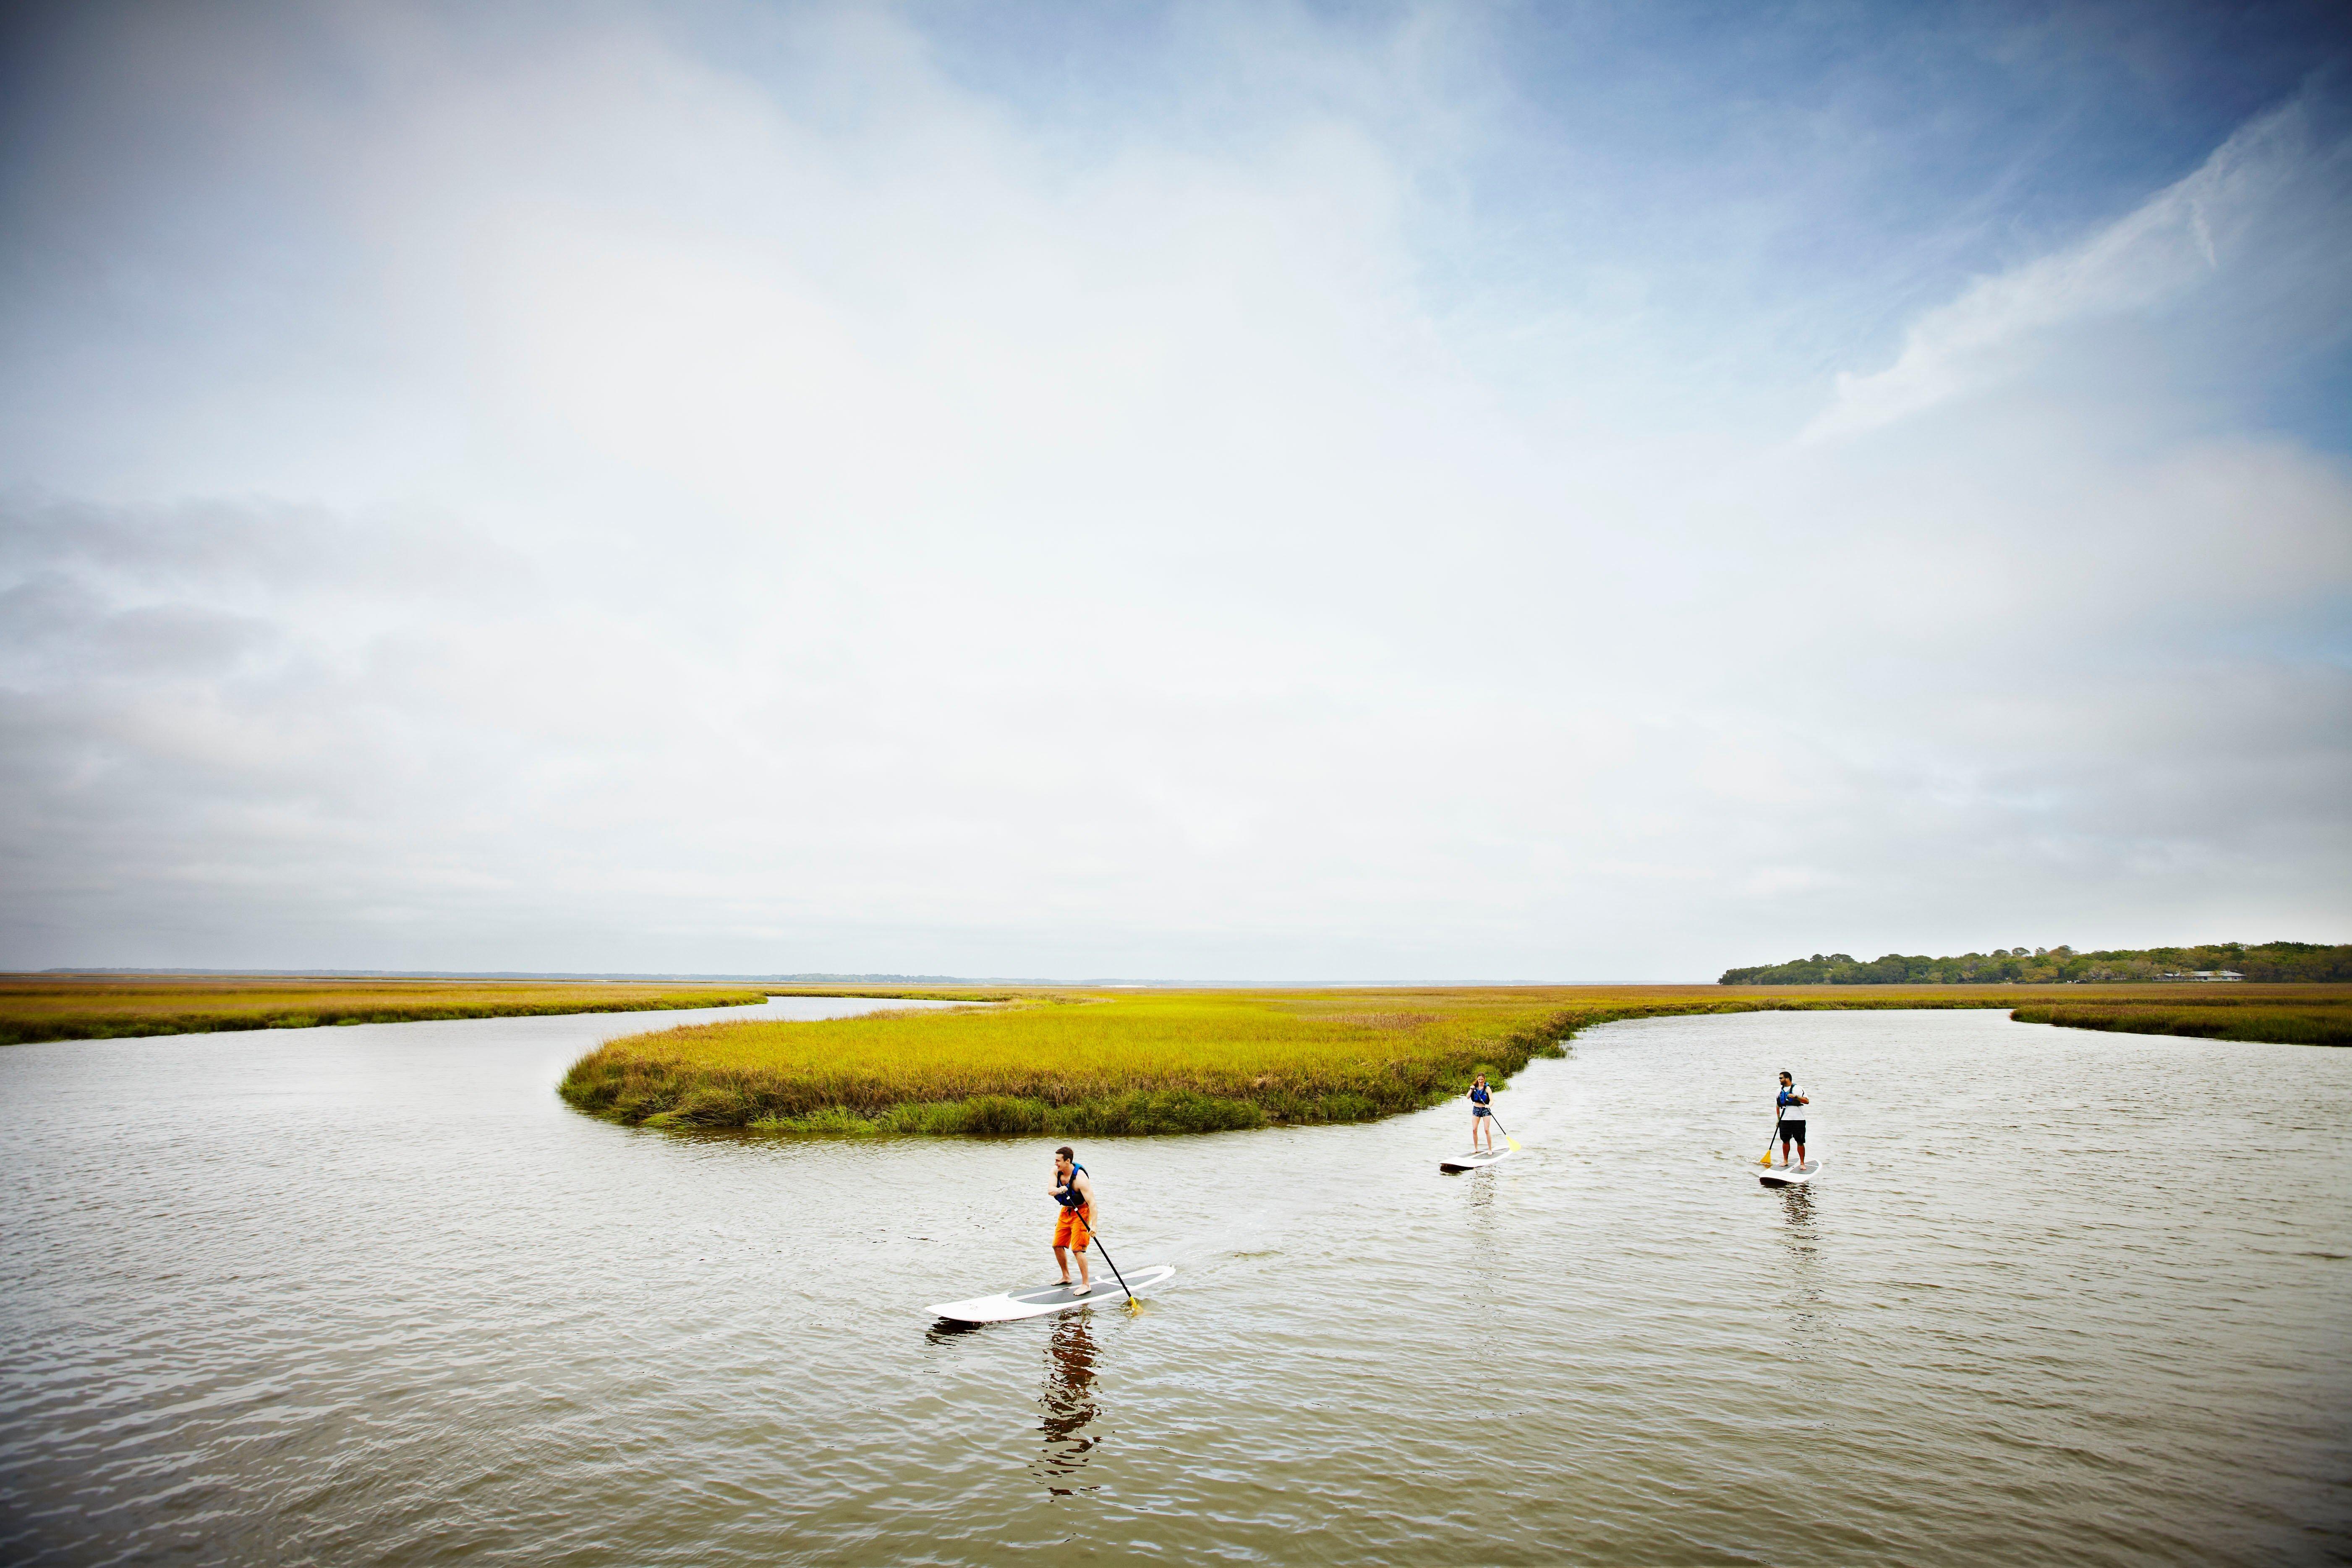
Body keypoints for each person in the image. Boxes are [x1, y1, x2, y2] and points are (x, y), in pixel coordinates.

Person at [1050, 1145, 1097, 1294]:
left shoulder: (1080, 1179)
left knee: (1078, 1249)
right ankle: (1066, 1277)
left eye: (1058, 1161)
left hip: (1082, 1211)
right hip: (1066, 1210)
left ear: (1068, 1161)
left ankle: (1086, 1284)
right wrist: (1060, 1190)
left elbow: (1093, 1204)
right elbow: (1051, 1190)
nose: (1056, 1163)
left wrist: (1094, 1226)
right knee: (1057, 1245)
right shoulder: (1055, 1172)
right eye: (1055, 1160)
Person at [1775, 1071, 1811, 1168]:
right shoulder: (1779, 1090)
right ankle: (1785, 1161)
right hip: (1785, 1120)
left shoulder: (1799, 1089)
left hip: (1798, 1120)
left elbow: (1807, 1101)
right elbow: (1778, 1105)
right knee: (1785, 1140)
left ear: (1787, 1079)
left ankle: (1802, 1163)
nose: (1780, 1080)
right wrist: (1778, 1120)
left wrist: (1796, 1096)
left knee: (1800, 1141)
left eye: (1781, 1078)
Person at [1468, 1074, 1495, 1151]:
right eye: (1479, 1080)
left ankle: (1490, 1149)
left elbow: (1492, 1101)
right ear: (1477, 1079)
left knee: (1487, 1130)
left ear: (1484, 1079)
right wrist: (1471, 1090)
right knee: (1474, 1130)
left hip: (1485, 1109)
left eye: (1482, 1080)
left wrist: (1489, 1106)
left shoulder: (1487, 1088)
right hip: (1476, 1109)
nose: (1480, 1081)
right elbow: (1468, 1097)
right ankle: (1476, 1149)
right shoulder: (1474, 1087)